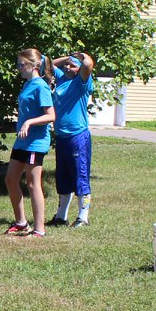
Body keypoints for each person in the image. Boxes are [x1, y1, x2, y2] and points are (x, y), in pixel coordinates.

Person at [4, 48, 54, 236]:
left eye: (21, 65)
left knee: (33, 184)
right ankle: (21, 222)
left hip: (35, 143)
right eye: (18, 65)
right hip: (22, 142)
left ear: (34, 65)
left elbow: (51, 116)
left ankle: (39, 229)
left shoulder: (41, 87)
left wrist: (29, 121)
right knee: (10, 180)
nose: (19, 68)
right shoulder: (27, 85)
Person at [46, 51, 96, 225]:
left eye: (72, 66)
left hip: (78, 136)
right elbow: (47, 62)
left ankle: (83, 217)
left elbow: (88, 65)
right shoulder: (62, 79)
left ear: (79, 69)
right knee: (64, 176)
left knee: (80, 176)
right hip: (62, 136)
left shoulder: (81, 82)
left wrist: (81, 56)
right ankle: (61, 217)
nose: (67, 67)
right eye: (66, 65)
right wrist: (67, 59)